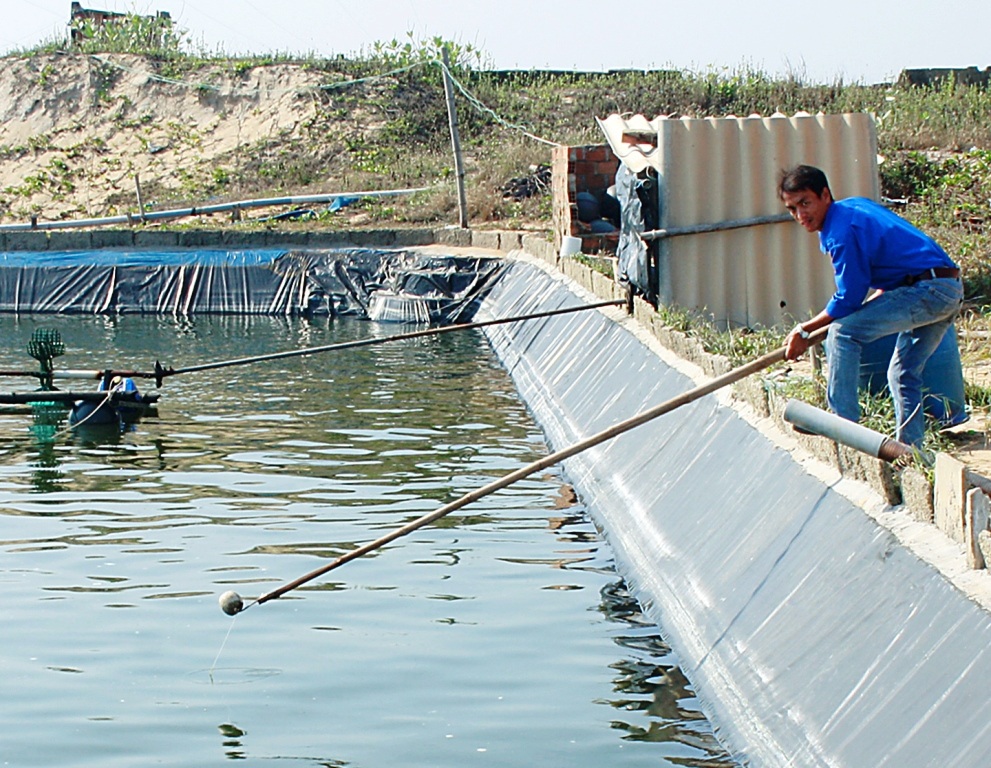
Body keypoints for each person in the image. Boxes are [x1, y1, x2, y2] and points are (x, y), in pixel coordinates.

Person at [779, 164, 963, 448]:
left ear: (825, 195)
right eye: (792, 209)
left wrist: (804, 330)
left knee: (842, 333)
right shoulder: (853, 208)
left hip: (928, 290)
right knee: (902, 374)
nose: (800, 215)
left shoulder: (840, 232)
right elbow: (890, 267)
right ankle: (910, 451)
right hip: (946, 286)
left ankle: (842, 422)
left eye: (805, 203)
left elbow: (849, 298)